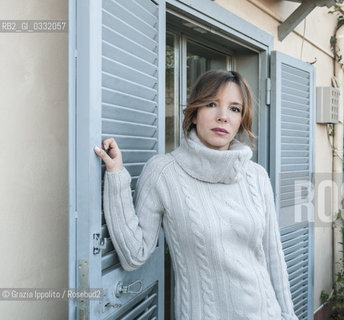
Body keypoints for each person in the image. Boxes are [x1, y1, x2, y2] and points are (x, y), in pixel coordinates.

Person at [94, 70, 298, 320]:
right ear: (194, 113)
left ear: (242, 119)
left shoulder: (256, 176)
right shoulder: (163, 172)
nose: (223, 116)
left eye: (234, 109)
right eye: (212, 104)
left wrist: (289, 316)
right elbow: (134, 255)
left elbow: (273, 258)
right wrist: (116, 177)